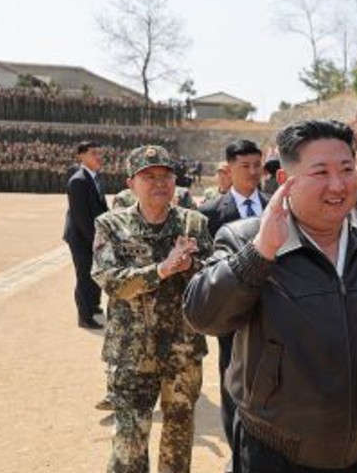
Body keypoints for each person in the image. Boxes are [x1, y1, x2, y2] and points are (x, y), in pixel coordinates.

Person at [184, 119, 357, 472]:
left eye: (347, 169)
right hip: (277, 448)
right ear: (284, 181)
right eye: (320, 172)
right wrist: (261, 251)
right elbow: (203, 316)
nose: (338, 185)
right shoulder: (244, 238)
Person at [91, 145, 212, 473]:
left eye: (166, 176)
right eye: (149, 176)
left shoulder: (194, 224)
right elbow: (110, 280)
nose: (159, 183)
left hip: (182, 352)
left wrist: (192, 266)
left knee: (178, 440)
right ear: (131, 184)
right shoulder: (111, 225)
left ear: (176, 181)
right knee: (129, 445)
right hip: (131, 353)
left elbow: (214, 283)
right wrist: (162, 270)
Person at [197, 139, 269, 470]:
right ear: (229, 169)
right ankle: (237, 453)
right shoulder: (210, 213)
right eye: (245, 167)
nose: (254, 173)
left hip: (273, 310)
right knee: (232, 381)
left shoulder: (278, 206)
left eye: (257, 165)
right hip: (231, 314)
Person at [63, 140, 108, 329]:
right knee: (84, 276)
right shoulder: (78, 181)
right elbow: (81, 218)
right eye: (93, 153)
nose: (98, 157)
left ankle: (93, 305)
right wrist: (95, 241)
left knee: (95, 273)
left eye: (99, 153)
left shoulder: (93, 177)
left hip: (93, 235)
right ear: (80, 156)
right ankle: (84, 316)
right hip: (83, 238)